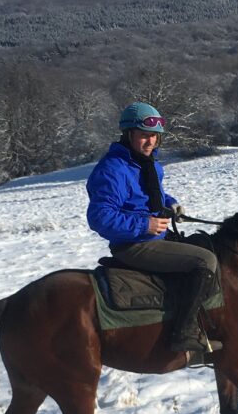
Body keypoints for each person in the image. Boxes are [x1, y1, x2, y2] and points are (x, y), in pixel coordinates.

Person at [87, 102, 221, 354]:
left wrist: (169, 204)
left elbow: (148, 195)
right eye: (144, 135)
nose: (150, 142)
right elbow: (99, 217)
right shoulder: (113, 169)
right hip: (134, 245)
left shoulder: (147, 163)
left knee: (207, 245)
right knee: (204, 261)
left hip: (156, 236)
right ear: (128, 135)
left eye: (154, 136)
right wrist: (144, 224)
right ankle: (183, 333)